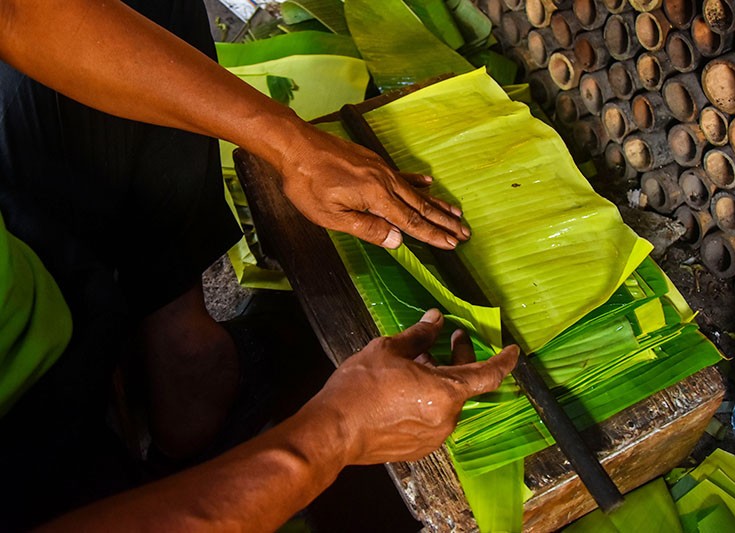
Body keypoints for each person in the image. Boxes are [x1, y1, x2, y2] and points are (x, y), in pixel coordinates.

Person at [0, 0, 519, 530]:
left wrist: (292, 146)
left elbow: (16, 13)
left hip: (27, 287)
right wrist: (332, 436)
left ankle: (187, 359)